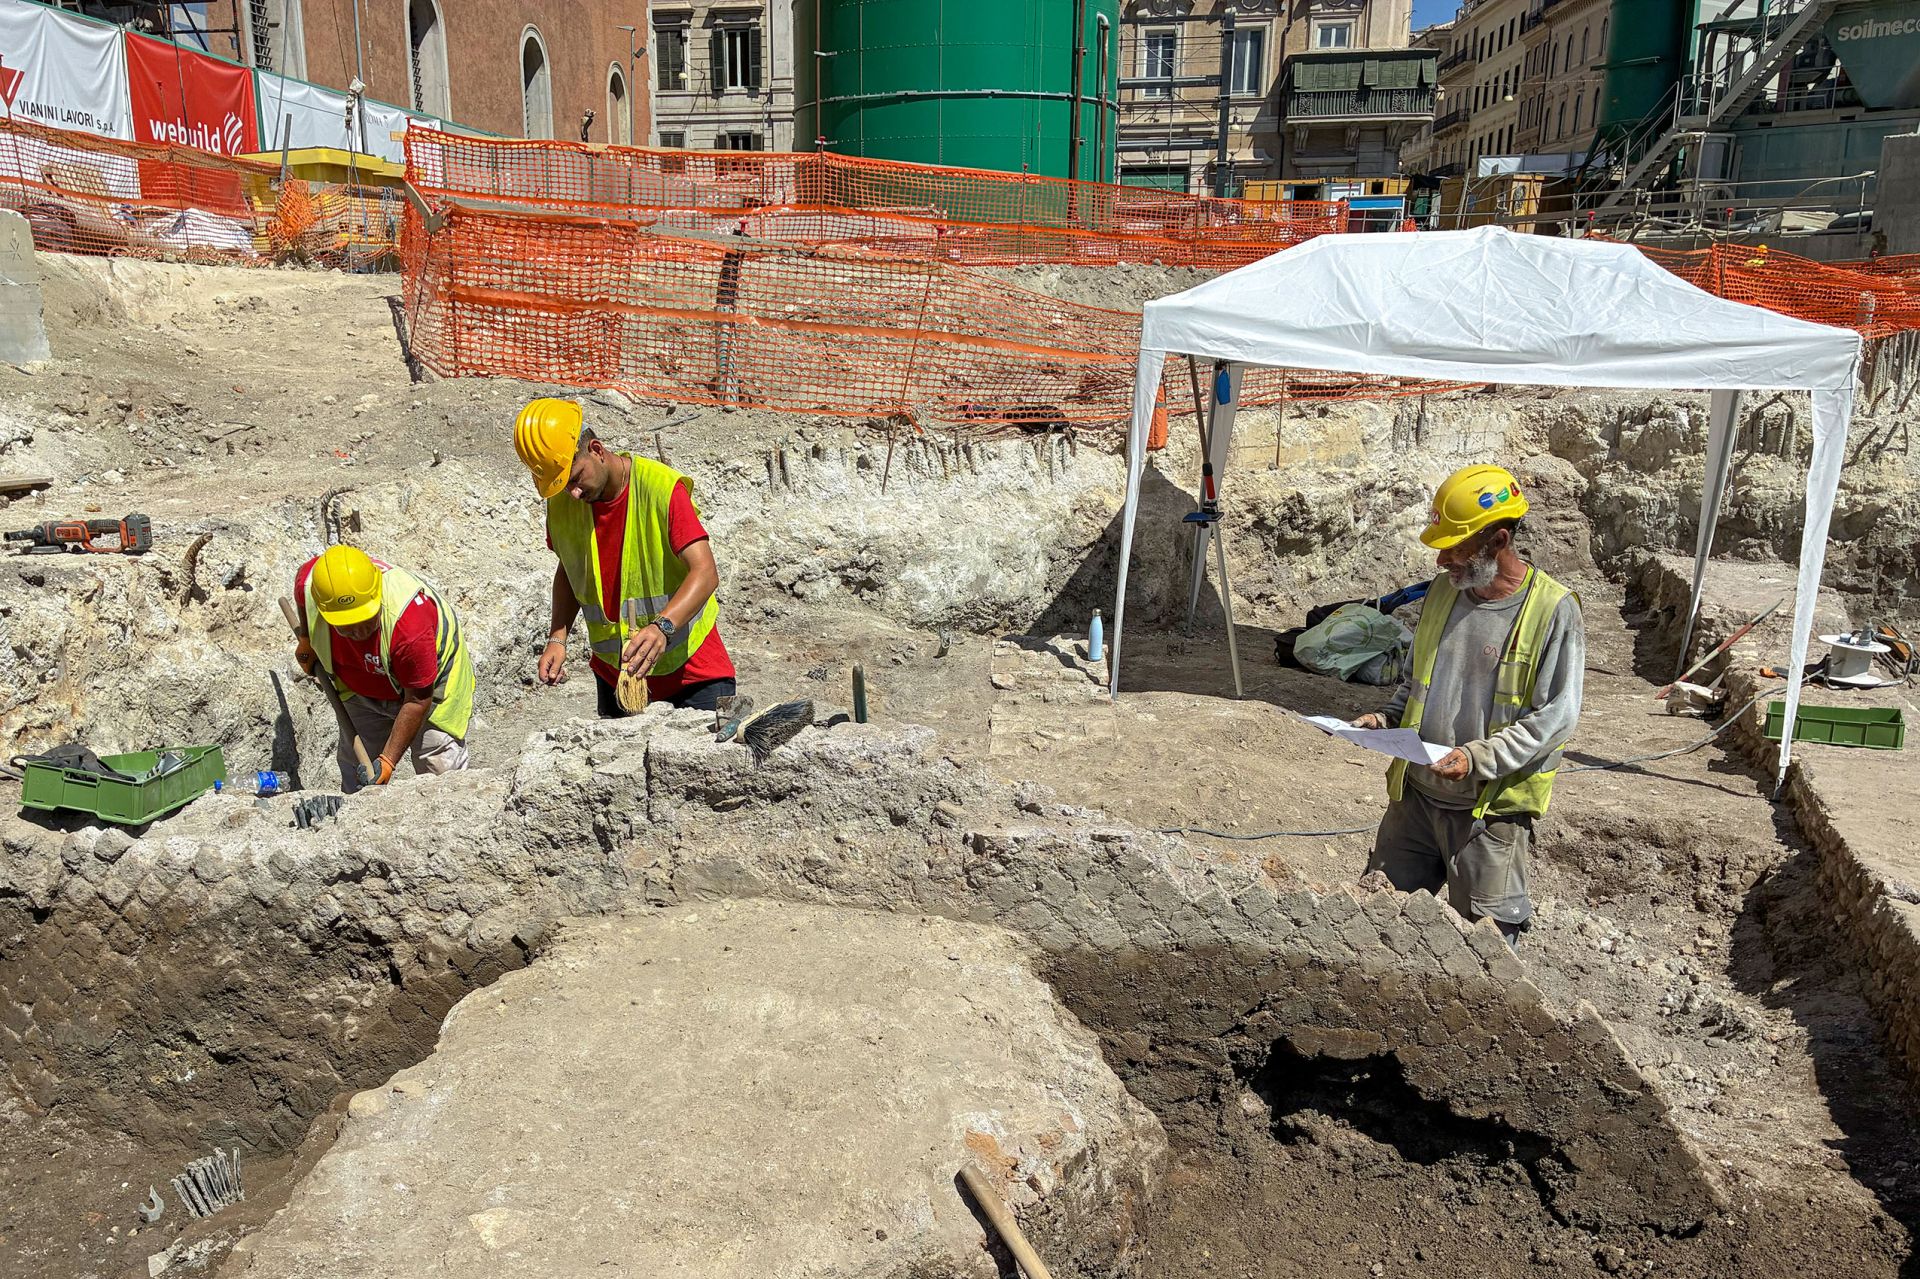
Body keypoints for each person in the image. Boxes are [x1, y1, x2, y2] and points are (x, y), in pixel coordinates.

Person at [1351, 464, 1584, 945]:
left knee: (1487, 950)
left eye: (1454, 548)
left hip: (1487, 813)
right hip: (1414, 800)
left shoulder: (1552, 610)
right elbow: (1418, 682)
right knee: (1374, 926)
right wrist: (1386, 719)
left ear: (1498, 541)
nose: (1441, 563)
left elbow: (1555, 718)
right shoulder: (1443, 594)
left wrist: (1478, 758)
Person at [512, 398, 737, 713]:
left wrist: (663, 627)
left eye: (574, 478)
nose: (572, 493)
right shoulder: (565, 503)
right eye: (561, 485)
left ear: (596, 449)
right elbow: (571, 568)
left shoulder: (660, 488)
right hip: (618, 676)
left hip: (690, 674)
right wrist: (557, 637)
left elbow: (705, 572)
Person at [293, 545, 475, 789]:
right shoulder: (312, 583)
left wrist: (388, 761)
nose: (358, 633)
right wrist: (307, 638)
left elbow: (417, 700)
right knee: (357, 766)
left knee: (440, 770)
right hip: (361, 681)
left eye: (365, 620)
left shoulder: (409, 626)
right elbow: (303, 594)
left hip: (429, 683)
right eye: (346, 626)